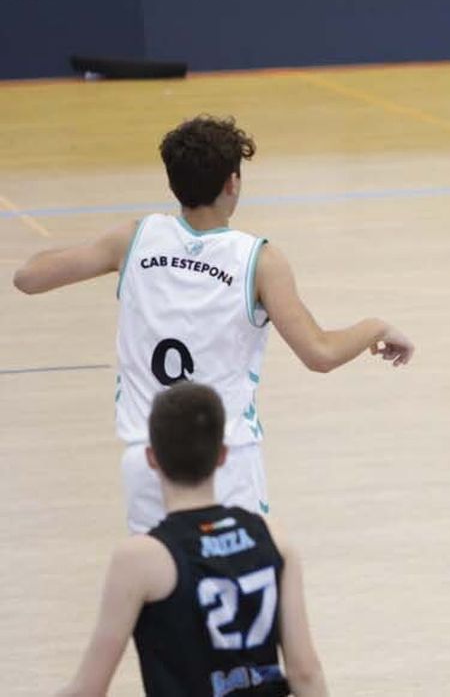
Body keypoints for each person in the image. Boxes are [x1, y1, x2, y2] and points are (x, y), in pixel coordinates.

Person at [13, 115, 414, 532]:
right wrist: (376, 326)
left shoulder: (134, 239)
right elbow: (321, 354)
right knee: (237, 586)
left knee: (162, 584)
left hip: (149, 458)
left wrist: (102, 252)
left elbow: (27, 278)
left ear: (174, 185)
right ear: (233, 183)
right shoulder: (258, 261)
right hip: (226, 460)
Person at [58, 382, 326, 696]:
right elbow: (305, 672)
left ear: (151, 458)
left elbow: (89, 690)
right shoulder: (273, 536)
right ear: (223, 455)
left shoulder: (139, 560)